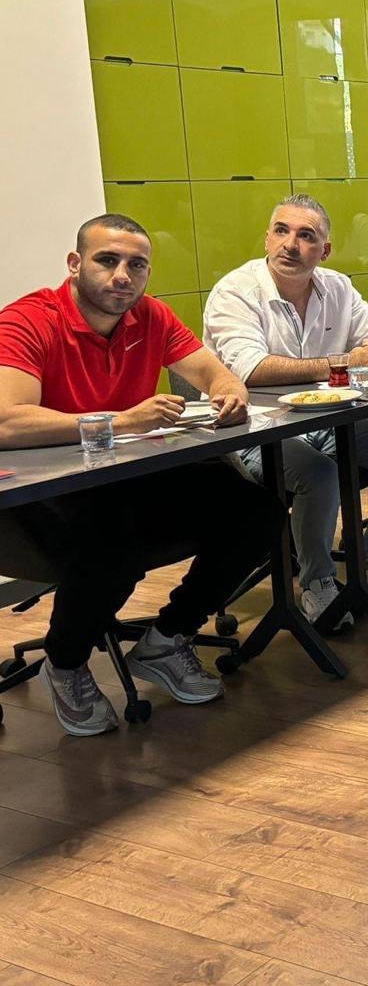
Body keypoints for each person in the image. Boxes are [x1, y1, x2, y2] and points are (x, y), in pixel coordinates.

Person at [0, 215, 283, 736]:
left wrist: (230, 393)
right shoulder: (28, 321)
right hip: (40, 492)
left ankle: (168, 639)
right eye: (107, 260)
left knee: (256, 508)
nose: (122, 276)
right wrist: (119, 422)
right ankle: (64, 663)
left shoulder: (150, 315)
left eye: (137, 265)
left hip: (124, 476)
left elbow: (213, 372)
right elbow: (7, 422)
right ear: (75, 264)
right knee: (113, 541)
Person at [204, 195, 368, 626]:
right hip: (253, 429)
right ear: (267, 238)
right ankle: (318, 581)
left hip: (326, 421)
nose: (290, 244)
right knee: (319, 474)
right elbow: (251, 369)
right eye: (281, 231)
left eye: (306, 235)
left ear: (324, 250)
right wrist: (345, 362)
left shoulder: (337, 287)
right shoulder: (236, 292)